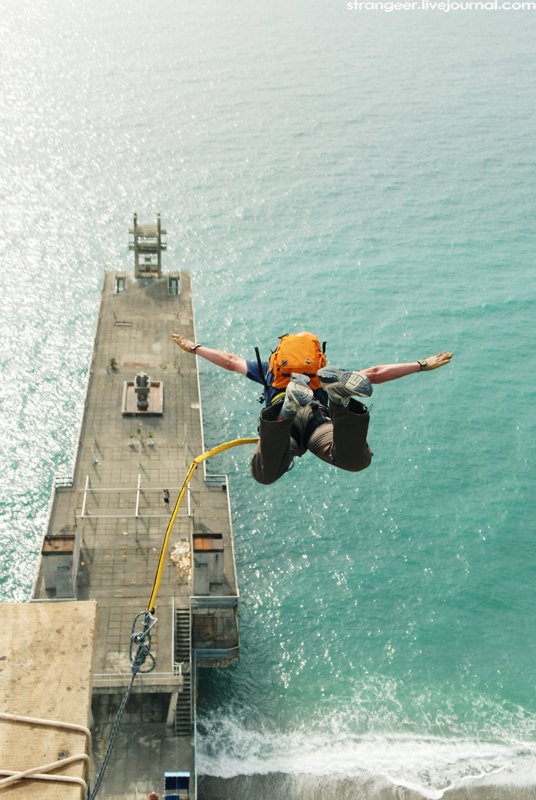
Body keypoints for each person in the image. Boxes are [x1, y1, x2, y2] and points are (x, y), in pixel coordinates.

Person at [172, 331, 453, 485]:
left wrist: (195, 347)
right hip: (318, 420)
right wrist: (421, 364)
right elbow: (376, 373)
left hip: (286, 426)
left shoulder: (269, 370)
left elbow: (230, 360)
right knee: (355, 460)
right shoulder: (322, 373)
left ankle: (285, 410)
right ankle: (341, 403)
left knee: (265, 472)